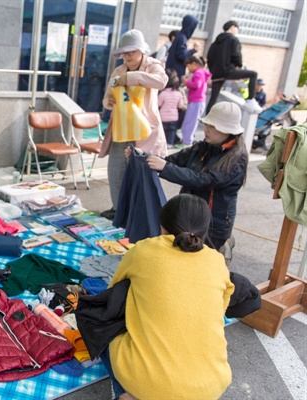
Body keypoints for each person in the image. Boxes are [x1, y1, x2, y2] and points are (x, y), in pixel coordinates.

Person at [101, 193, 234, 399]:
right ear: (205, 228)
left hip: (149, 382)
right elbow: (220, 309)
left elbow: (113, 293)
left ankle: (127, 395)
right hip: (211, 385)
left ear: (162, 225)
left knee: (102, 328)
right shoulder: (217, 261)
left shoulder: (143, 250)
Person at [146, 101, 248, 252]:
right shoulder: (202, 147)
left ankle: (225, 249)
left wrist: (165, 167)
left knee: (202, 260)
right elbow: (172, 161)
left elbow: (205, 180)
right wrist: (144, 158)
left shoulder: (237, 159)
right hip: (188, 215)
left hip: (213, 224)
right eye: (207, 124)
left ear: (227, 131)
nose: (206, 129)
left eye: (212, 127)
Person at [97, 29, 168, 220]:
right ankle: (118, 209)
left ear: (141, 51)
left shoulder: (153, 66)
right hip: (121, 130)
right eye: (124, 53)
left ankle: (140, 213)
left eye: (131, 52)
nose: (126, 56)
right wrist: (108, 102)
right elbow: (107, 97)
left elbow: (162, 81)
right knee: (116, 172)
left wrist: (131, 78)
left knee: (142, 175)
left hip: (144, 132)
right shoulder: (118, 70)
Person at [206, 21, 262, 114]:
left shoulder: (215, 43)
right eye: (237, 28)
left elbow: (209, 58)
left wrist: (213, 71)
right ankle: (250, 99)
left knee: (213, 98)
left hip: (216, 74)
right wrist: (240, 65)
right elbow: (236, 55)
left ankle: (207, 118)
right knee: (253, 74)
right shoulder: (233, 40)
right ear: (232, 27)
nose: (237, 31)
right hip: (228, 71)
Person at [180, 55, 211, 146]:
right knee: (191, 122)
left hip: (196, 101)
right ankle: (187, 140)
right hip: (198, 101)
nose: (188, 68)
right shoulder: (202, 72)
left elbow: (196, 85)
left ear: (194, 64)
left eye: (188, 66)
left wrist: (186, 81)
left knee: (190, 122)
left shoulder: (198, 73)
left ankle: (186, 142)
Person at [165, 15, 199, 80]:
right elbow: (182, 55)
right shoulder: (182, 38)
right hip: (176, 72)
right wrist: (194, 50)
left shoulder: (180, 36)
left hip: (172, 70)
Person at [158, 69, 185, 148]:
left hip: (163, 118)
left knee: (162, 132)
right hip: (174, 117)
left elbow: (158, 104)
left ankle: (162, 144)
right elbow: (181, 106)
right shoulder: (178, 94)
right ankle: (169, 144)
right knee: (171, 132)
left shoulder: (163, 93)